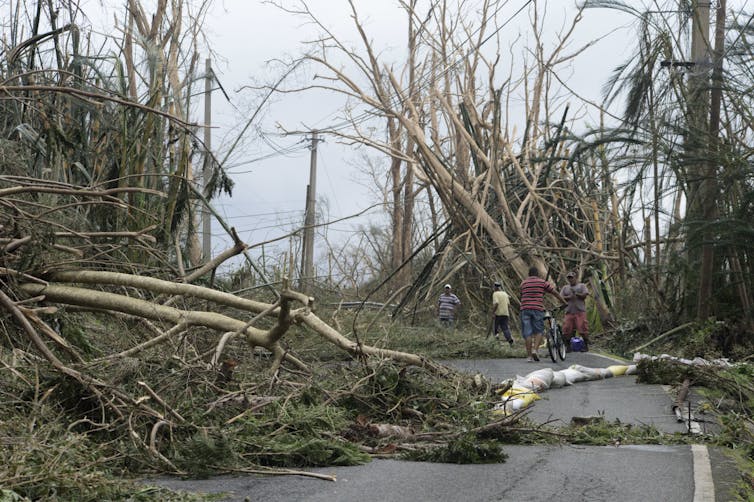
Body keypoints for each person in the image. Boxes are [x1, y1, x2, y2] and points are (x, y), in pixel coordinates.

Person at [520, 266, 565, 362]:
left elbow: (523, 294)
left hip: (525, 309)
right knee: (538, 331)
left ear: (529, 274)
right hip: (537, 309)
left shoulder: (523, 283)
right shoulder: (542, 282)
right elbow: (555, 293)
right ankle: (535, 350)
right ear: (537, 274)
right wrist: (564, 302)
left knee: (527, 333)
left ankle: (529, 357)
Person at [560, 271, 590, 351]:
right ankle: (568, 346)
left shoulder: (582, 286)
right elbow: (560, 297)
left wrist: (577, 294)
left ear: (575, 278)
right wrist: (569, 297)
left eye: (572, 278)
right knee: (566, 329)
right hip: (569, 311)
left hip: (580, 311)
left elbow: (585, 295)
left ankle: (586, 346)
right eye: (569, 278)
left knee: (583, 328)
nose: (570, 279)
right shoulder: (565, 288)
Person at [491, 282, 513, 346]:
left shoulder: (495, 294)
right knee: (505, 328)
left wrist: (493, 312)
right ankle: (509, 339)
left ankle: (496, 341)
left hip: (498, 313)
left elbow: (496, 303)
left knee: (495, 327)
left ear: (495, 287)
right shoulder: (505, 293)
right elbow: (509, 305)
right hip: (505, 313)